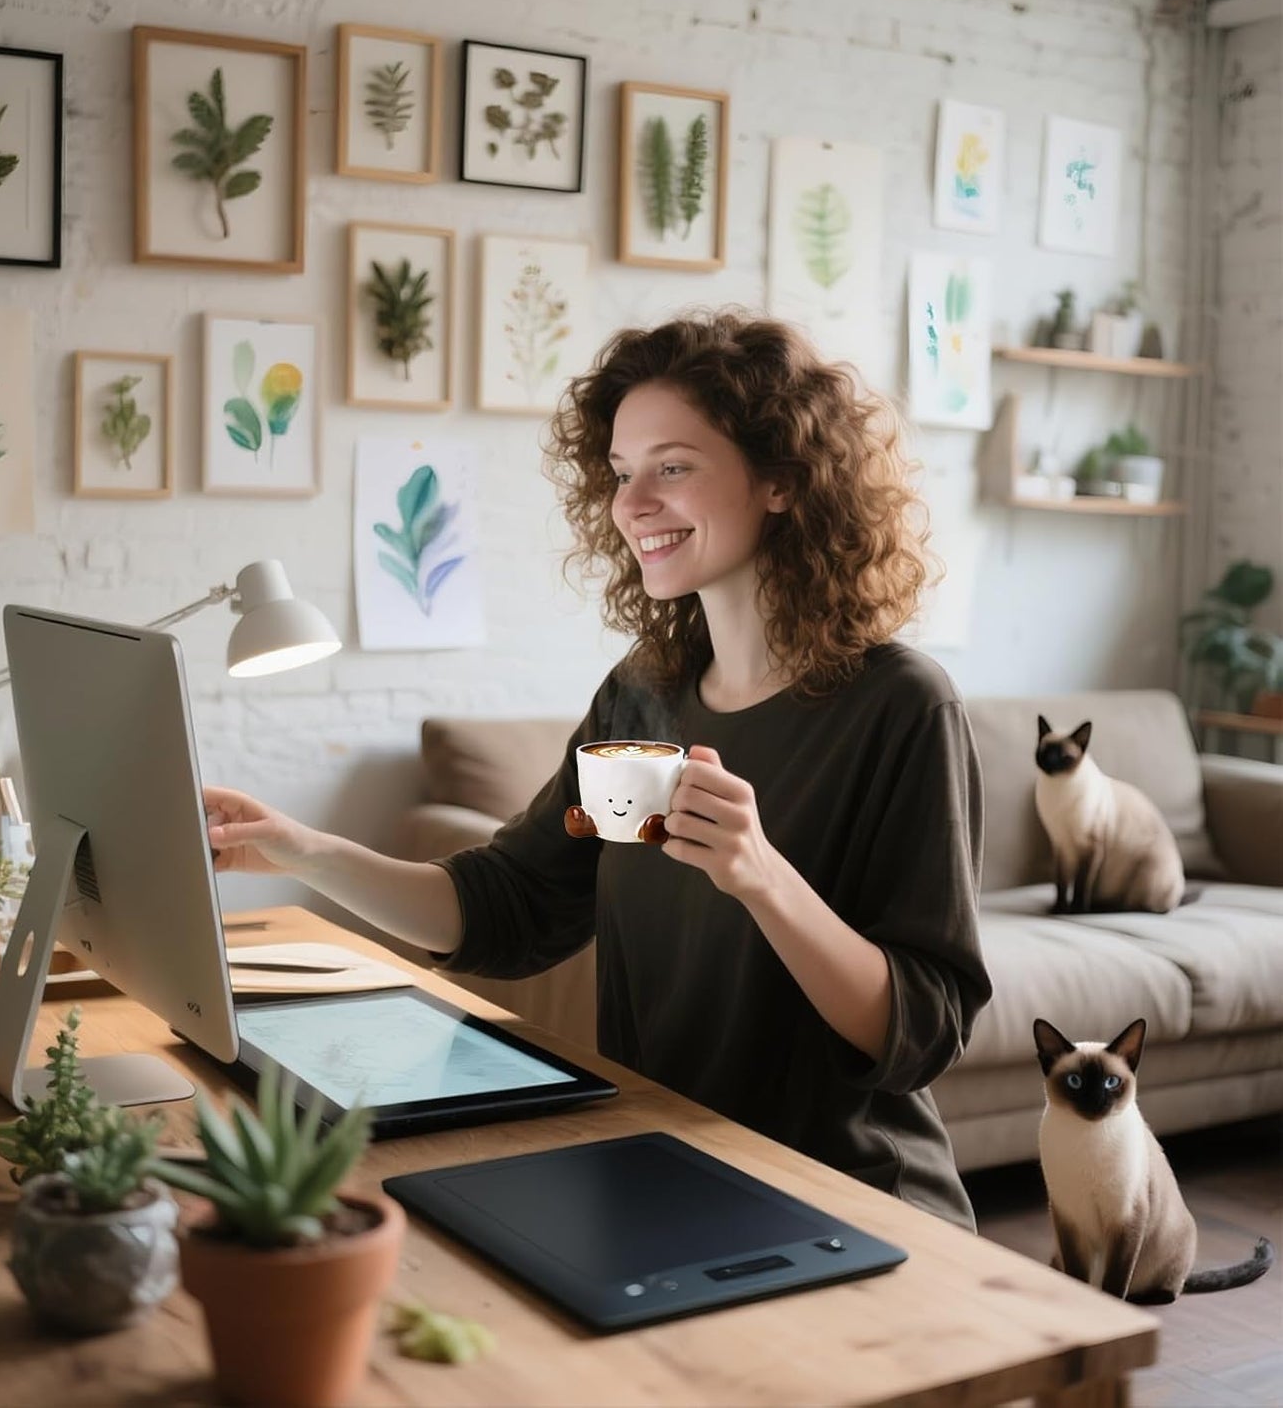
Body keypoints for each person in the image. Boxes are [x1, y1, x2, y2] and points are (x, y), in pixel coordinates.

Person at [205, 312, 992, 1230]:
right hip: (670, 1165)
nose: (632, 504)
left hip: (852, 1203)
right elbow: (505, 908)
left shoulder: (900, 705)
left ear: (781, 478)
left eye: (672, 467)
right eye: (621, 474)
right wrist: (301, 852)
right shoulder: (643, 693)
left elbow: (920, 1032)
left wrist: (760, 876)